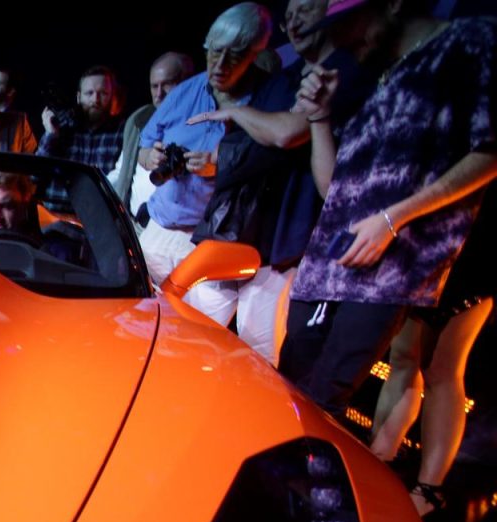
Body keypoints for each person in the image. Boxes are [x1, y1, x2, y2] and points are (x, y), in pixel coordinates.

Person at [279, 0, 496, 418]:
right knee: (288, 388)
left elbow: (489, 152)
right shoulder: (375, 74)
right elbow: (332, 187)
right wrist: (319, 117)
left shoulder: (471, 40)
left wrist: (393, 219)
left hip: (389, 269)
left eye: (350, 23)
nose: (341, 39)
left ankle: (311, 482)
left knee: (324, 401)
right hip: (326, 262)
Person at [181, 0, 372, 363]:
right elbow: (251, 144)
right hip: (247, 231)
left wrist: (236, 112)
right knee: (195, 331)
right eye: (291, 13)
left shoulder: (342, 71)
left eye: (308, 8)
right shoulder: (286, 78)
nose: (295, 20)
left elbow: (286, 133)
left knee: (260, 355)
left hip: (291, 240)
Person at [137, 3, 274, 326]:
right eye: (214, 53)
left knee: (192, 332)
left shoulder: (268, 98)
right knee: (143, 325)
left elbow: (267, 163)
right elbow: (144, 146)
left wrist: (217, 165)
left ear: (255, 53)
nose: (220, 65)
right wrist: (151, 157)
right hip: (158, 230)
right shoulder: (186, 92)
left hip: (207, 240)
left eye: (235, 55)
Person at [368, 205, 492, 515]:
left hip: (469, 245)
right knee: (403, 357)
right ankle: (378, 460)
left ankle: (429, 489)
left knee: (443, 370)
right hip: (419, 239)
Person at [109, 52, 193, 215]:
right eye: (154, 86)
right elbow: (121, 171)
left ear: (188, 82)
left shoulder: (202, 122)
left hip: (176, 228)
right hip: (133, 226)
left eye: (167, 84)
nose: (159, 93)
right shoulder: (139, 120)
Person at [37, 66, 125, 211]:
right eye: (89, 93)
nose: (95, 100)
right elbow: (35, 176)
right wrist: (51, 136)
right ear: (79, 97)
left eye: (103, 93)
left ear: (112, 97)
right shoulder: (62, 126)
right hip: (55, 215)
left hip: (97, 217)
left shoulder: (121, 132)